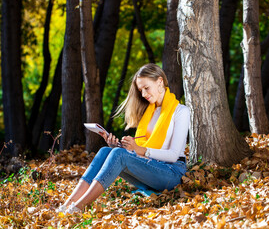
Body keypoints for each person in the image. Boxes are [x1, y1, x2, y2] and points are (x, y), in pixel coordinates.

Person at [57, 63, 190, 214]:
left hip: (171, 173)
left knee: (118, 155)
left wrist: (138, 149)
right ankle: (68, 204)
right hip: (150, 167)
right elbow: (140, 151)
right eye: (140, 90)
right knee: (105, 151)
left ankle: (78, 207)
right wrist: (120, 147)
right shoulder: (150, 112)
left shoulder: (181, 111)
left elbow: (173, 155)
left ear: (160, 82)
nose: (143, 94)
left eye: (146, 88)